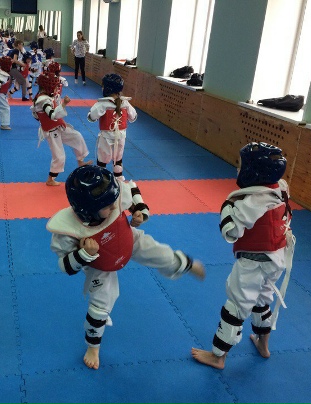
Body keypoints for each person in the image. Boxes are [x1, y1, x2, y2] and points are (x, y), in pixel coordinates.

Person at [47, 165, 206, 370]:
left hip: (130, 239)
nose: (115, 206)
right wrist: (84, 254)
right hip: (99, 264)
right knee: (100, 305)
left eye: (115, 201)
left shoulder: (113, 197)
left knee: (163, 255)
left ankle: (187, 265)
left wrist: (139, 211)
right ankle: (93, 347)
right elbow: (66, 267)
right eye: (108, 206)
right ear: (87, 210)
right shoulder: (69, 230)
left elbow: (131, 190)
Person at [191, 142, 295, 370]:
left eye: (241, 165)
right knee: (262, 300)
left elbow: (231, 232)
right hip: (277, 258)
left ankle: (218, 356)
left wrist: (227, 208)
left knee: (236, 305)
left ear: (253, 173)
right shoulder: (280, 187)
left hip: (254, 263)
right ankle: (263, 345)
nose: (237, 169)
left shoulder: (253, 201)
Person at [31, 72, 92, 186]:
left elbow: (36, 114)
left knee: (77, 136)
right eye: (54, 86)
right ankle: (50, 179)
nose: (56, 89)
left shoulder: (46, 96)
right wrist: (64, 104)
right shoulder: (43, 100)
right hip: (51, 131)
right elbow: (52, 115)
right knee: (59, 156)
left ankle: (80, 161)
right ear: (48, 87)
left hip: (58, 126)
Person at [88, 74, 137, 180]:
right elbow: (133, 117)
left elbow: (92, 117)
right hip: (121, 137)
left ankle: (101, 180)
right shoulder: (125, 103)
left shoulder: (103, 104)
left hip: (106, 137)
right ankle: (119, 180)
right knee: (118, 159)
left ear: (106, 88)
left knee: (102, 160)